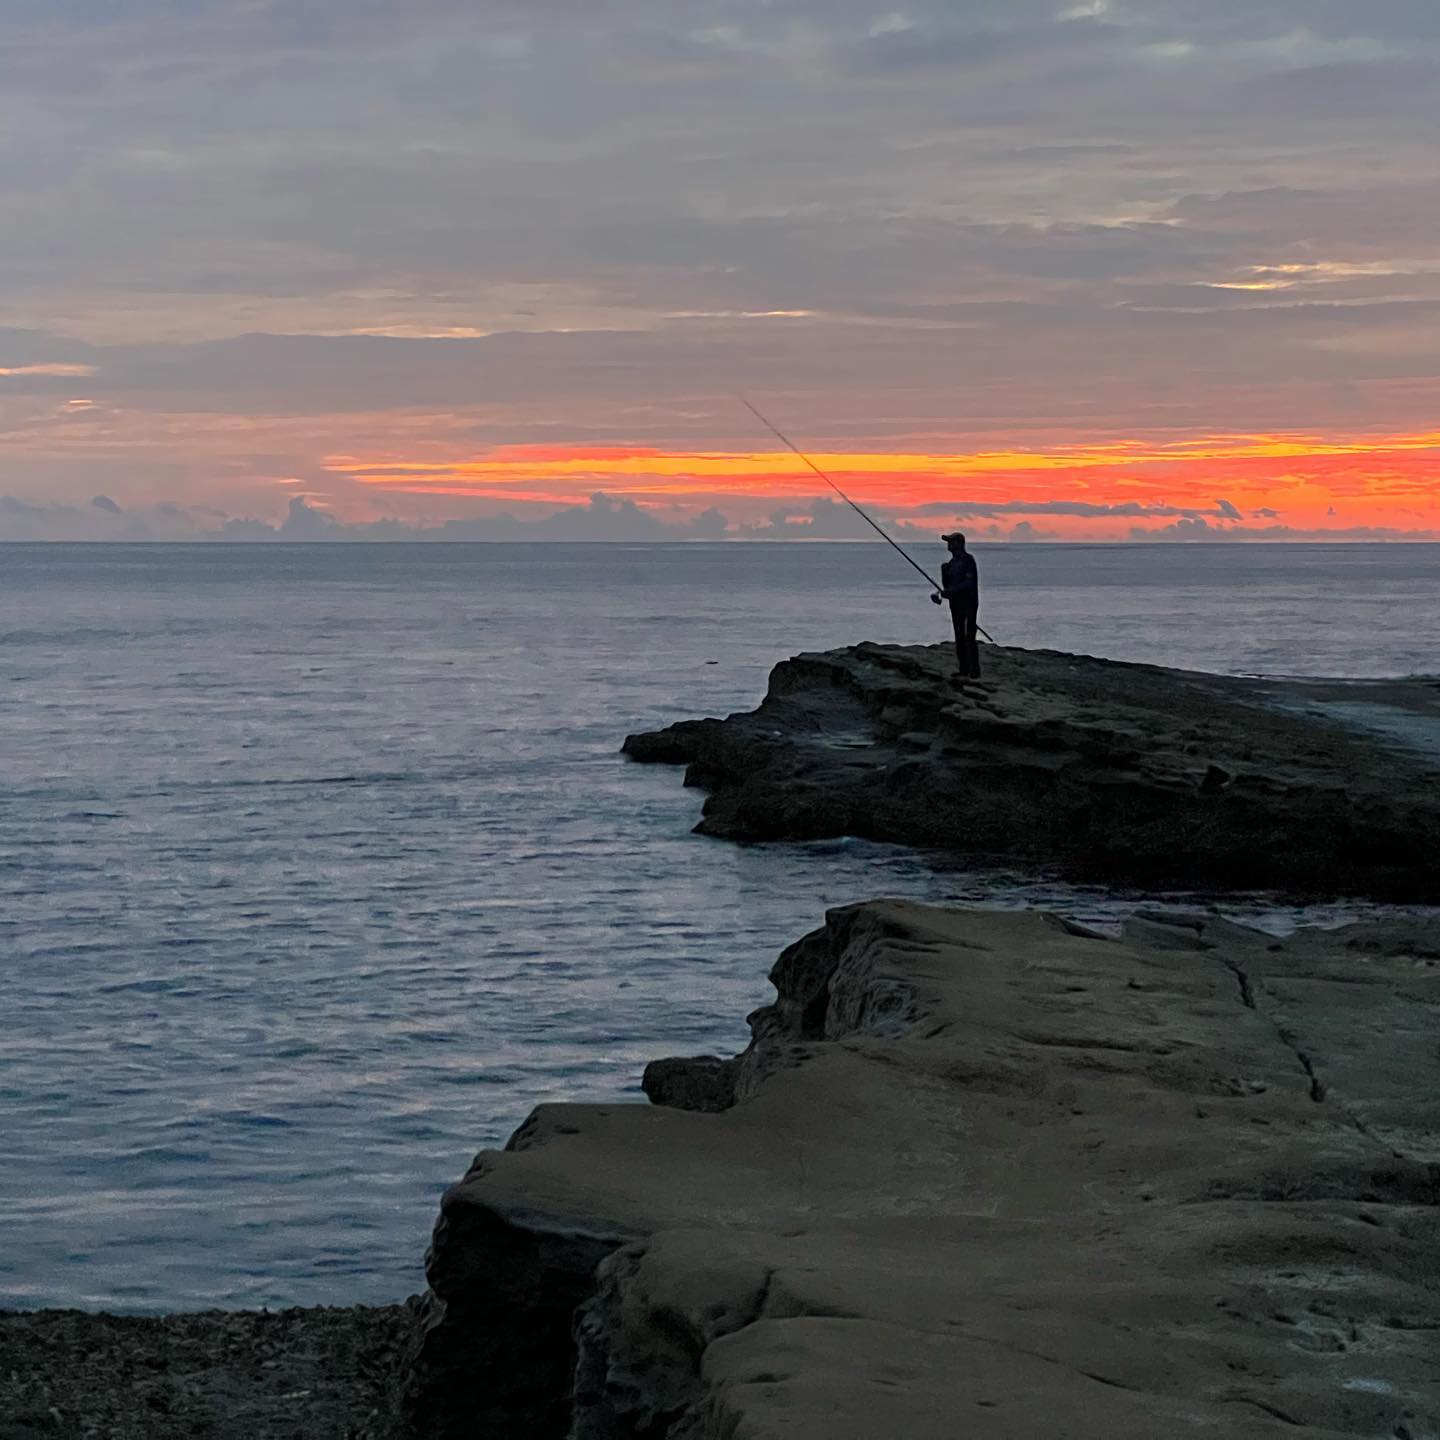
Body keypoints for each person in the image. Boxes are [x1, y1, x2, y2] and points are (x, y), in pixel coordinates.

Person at [931, 532, 981, 678]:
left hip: (969, 603)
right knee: (959, 636)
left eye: (952, 542)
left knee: (968, 636)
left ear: (959, 544)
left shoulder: (968, 560)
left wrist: (951, 591)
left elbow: (969, 583)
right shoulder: (950, 565)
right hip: (956, 605)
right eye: (949, 542)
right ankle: (963, 669)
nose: (949, 545)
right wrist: (943, 576)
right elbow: (947, 587)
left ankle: (974, 671)